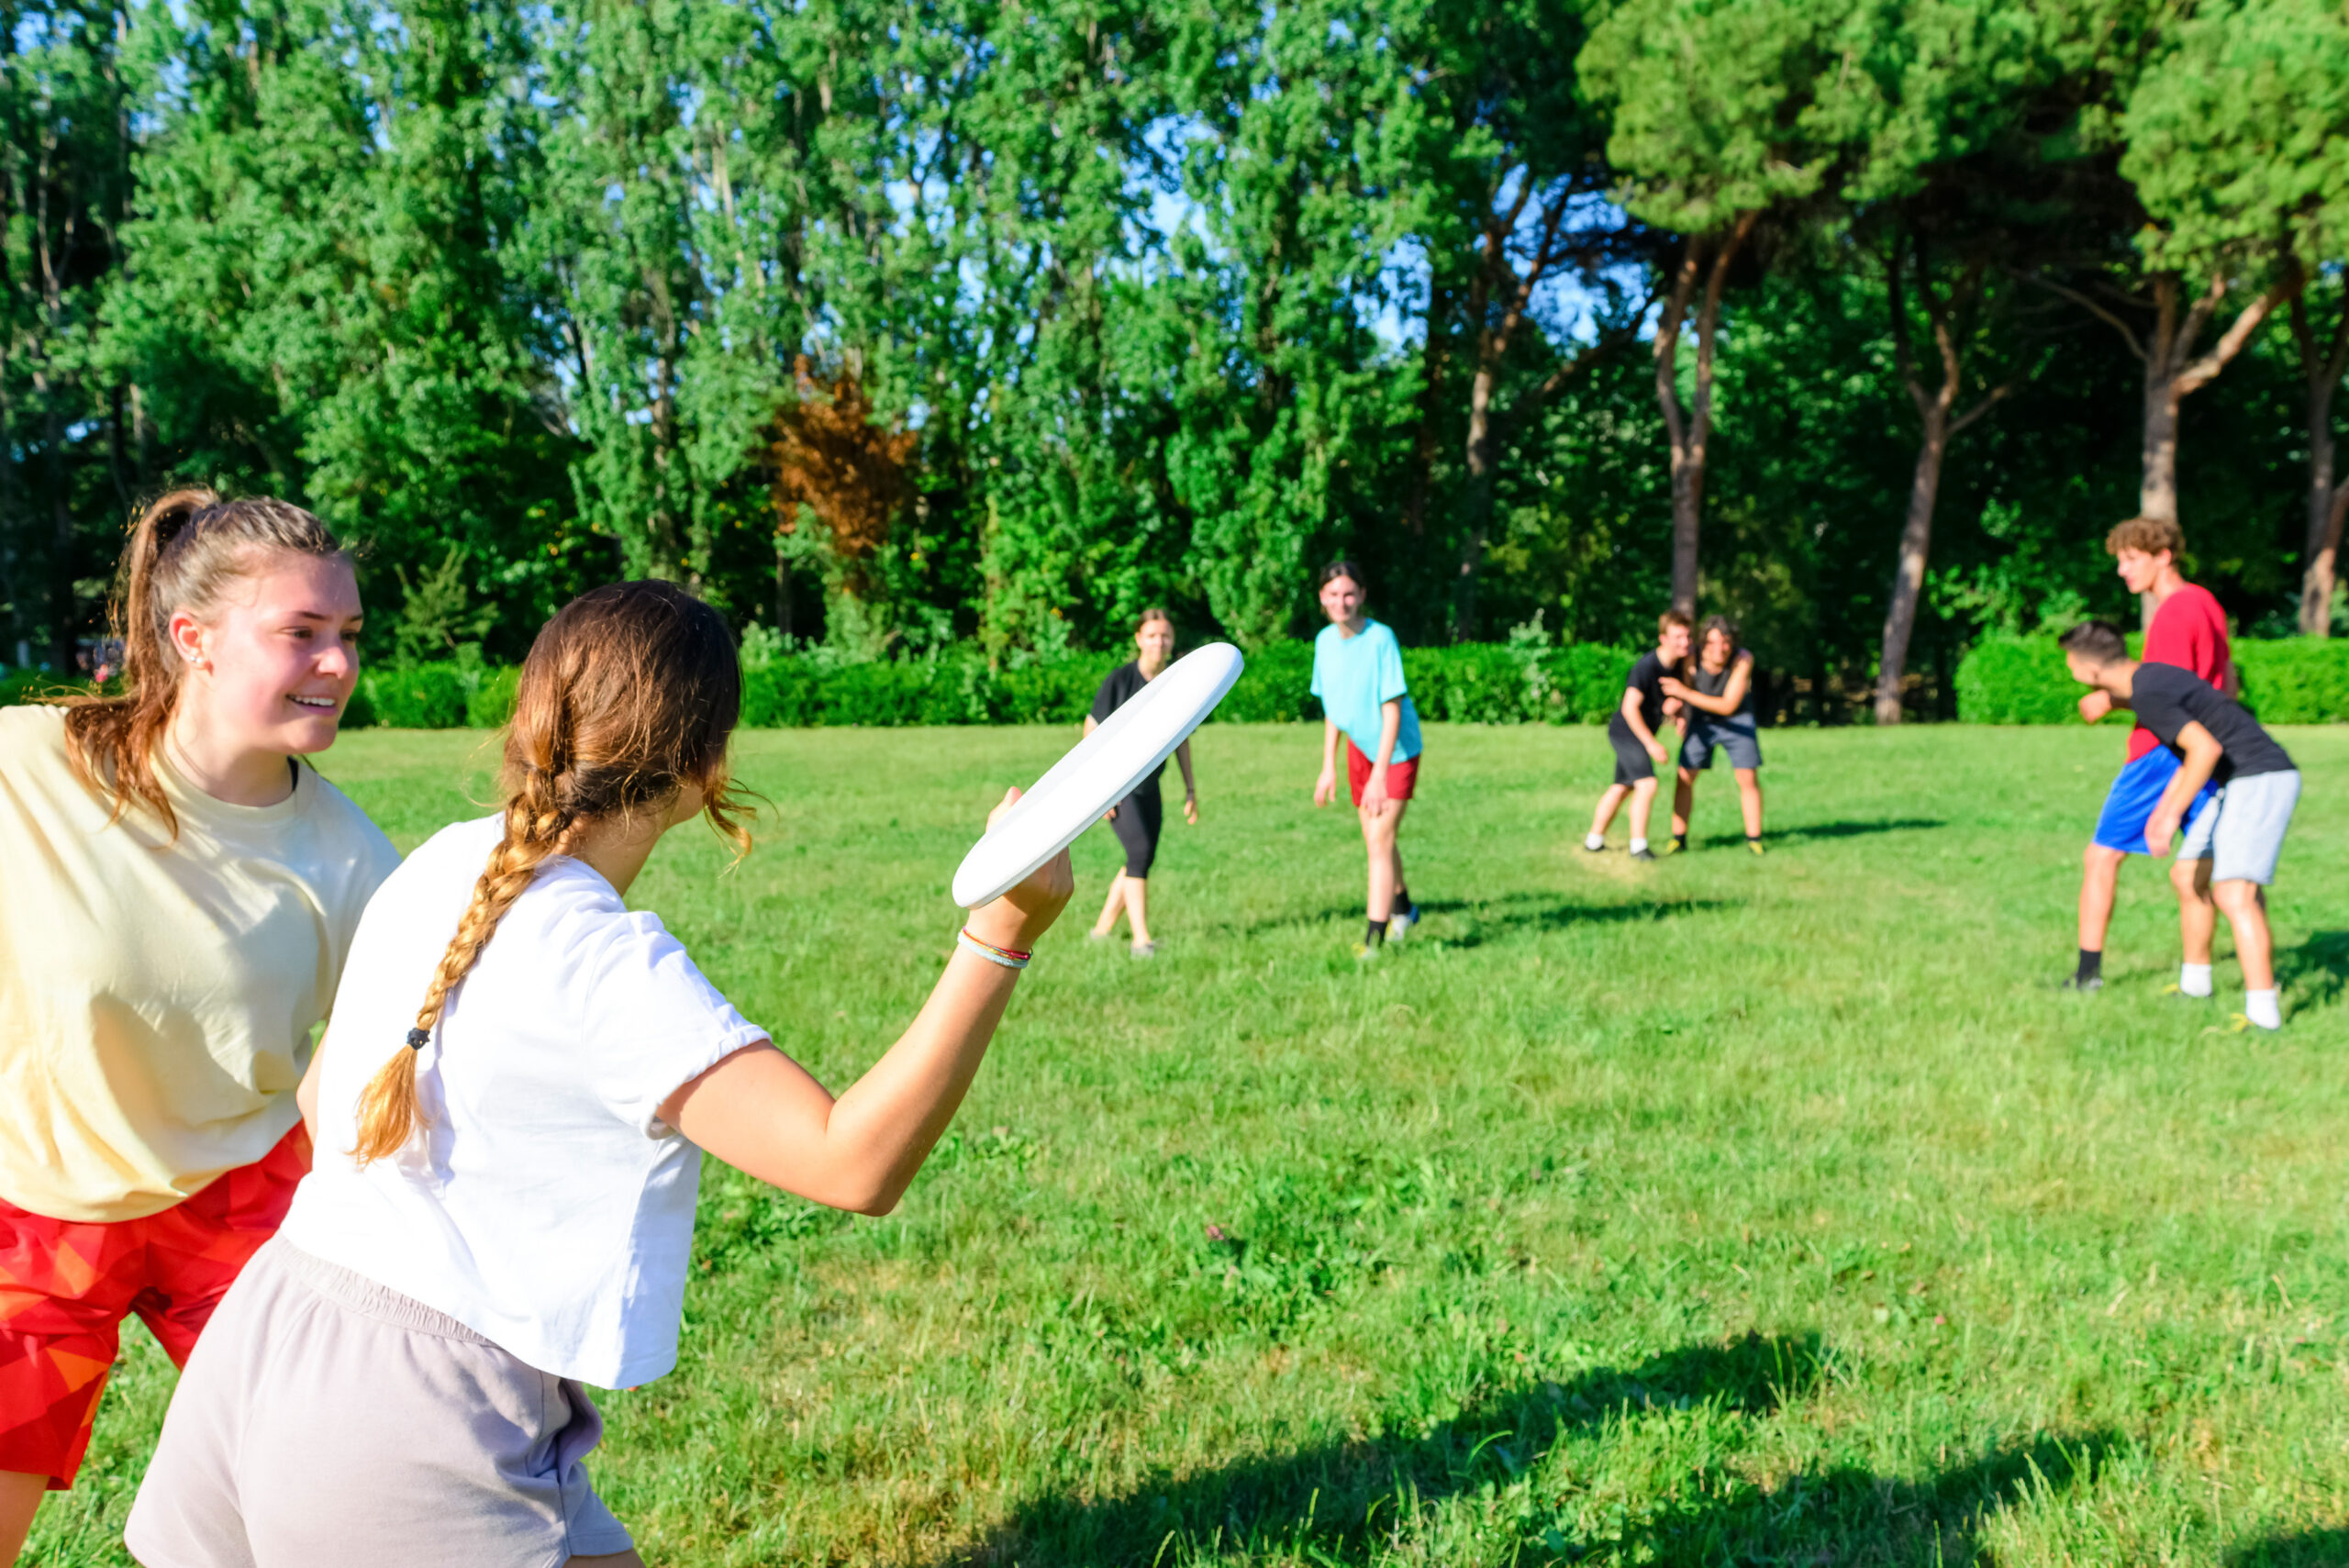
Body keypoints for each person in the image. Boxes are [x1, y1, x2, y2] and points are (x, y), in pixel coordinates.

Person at [126, 581, 1074, 1566]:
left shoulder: (443, 860)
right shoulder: (607, 964)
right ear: (707, 766)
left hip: (274, 1324)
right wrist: (997, 939)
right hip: (414, 1417)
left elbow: (326, 1099)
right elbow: (853, 1163)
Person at [0, 491, 396, 1565]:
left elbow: (394, 1070)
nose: (336, 663)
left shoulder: (357, 862)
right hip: (36, 1204)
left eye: (348, 635)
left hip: (240, 1198)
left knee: (340, 1501)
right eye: (301, 633)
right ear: (195, 641)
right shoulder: (30, 765)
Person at [2059, 619, 2299, 1030]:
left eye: (2070, 664)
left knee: (2234, 892)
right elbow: (2176, 705)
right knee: (2188, 877)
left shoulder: (2148, 693)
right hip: (2241, 780)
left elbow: (2204, 747)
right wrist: (2113, 703)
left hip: (2261, 777)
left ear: (2091, 670)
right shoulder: (2149, 678)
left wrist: (2167, 814)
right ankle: (2196, 986)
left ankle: (2264, 1016)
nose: (2070, 671)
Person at [2066, 517, 2232, 994]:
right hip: (2208, 749)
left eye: (2131, 559)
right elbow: (2226, 679)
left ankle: (2086, 976)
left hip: (2161, 751)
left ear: (2163, 557)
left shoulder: (2176, 612)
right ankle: (2202, 982)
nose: (2122, 570)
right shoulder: (2208, 604)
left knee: (2101, 857)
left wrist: (2109, 699)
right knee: (2203, 872)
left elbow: (2167, 694)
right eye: (2120, 560)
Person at [1309, 562, 1420, 957]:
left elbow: (1392, 711)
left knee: (1379, 840)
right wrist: (1328, 766)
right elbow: (1333, 711)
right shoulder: (1323, 642)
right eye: (1334, 594)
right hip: (1360, 749)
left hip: (1397, 752)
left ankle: (1374, 939)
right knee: (1377, 840)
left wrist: (1378, 776)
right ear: (1322, 598)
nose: (1342, 602)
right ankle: (1405, 909)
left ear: (1362, 596)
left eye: (1349, 593)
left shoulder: (1380, 639)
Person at [1085, 608, 1200, 958]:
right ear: (1138, 639)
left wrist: (1191, 788)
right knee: (1138, 854)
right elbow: (1091, 729)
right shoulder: (1119, 680)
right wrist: (1100, 789)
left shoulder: (1175, 682)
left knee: (1141, 858)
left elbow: (1182, 738)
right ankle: (1141, 940)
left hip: (1151, 786)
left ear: (1172, 640)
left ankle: (1102, 929)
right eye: (1151, 635)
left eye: (1164, 635)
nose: (1158, 642)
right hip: (1118, 788)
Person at [1585, 610, 1693, 861]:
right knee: (1648, 784)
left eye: (1687, 636)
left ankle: (1594, 840)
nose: (1685, 642)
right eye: (1678, 637)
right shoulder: (1646, 666)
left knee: (1622, 787)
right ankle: (1638, 847)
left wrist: (1676, 715)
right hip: (1626, 732)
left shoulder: (1676, 666)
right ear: (1663, 638)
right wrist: (1651, 744)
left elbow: (1662, 703)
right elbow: (1629, 707)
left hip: (1637, 734)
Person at [1662, 615, 1764, 855]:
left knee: (1747, 777)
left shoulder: (1742, 659)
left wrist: (1683, 694)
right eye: (1713, 642)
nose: (1720, 648)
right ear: (1703, 642)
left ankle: (1754, 840)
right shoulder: (1690, 657)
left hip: (1737, 719)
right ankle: (1678, 839)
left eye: (1726, 641)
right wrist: (1683, 715)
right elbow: (1686, 688)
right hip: (1701, 720)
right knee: (1684, 776)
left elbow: (1727, 705)